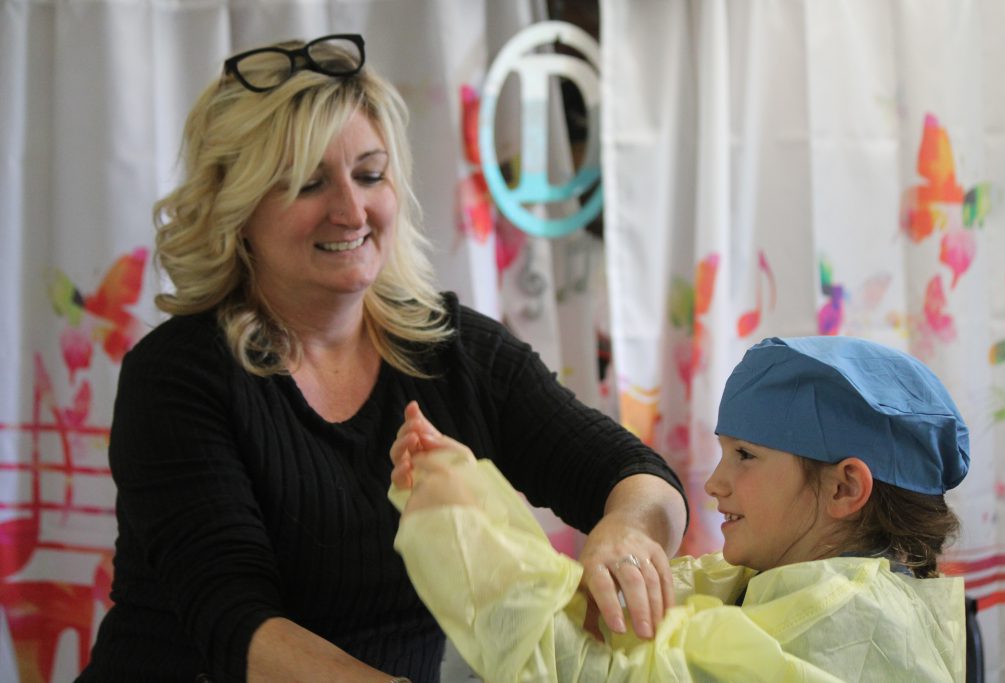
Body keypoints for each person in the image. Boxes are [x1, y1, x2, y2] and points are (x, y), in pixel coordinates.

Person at [74, 33, 687, 683]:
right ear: (240, 209)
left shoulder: (453, 350)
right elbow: (237, 626)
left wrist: (626, 531)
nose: (351, 209)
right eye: (309, 183)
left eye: (369, 174)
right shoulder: (176, 377)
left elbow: (637, 473)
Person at [391, 336, 969, 682]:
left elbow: (601, 672)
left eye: (745, 456)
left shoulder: (850, 625)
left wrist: (457, 514)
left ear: (845, 488)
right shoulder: (784, 582)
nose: (715, 484)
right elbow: (626, 622)